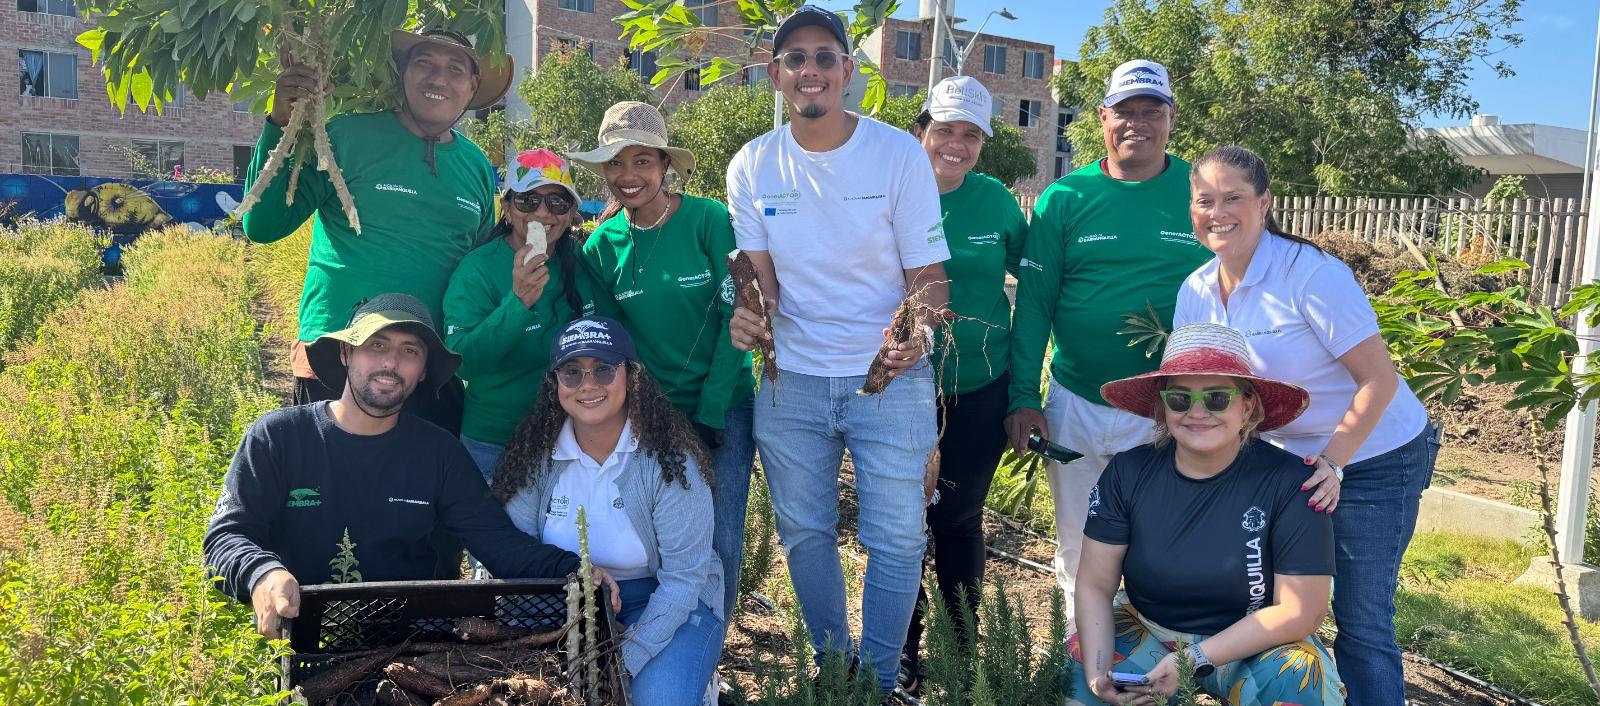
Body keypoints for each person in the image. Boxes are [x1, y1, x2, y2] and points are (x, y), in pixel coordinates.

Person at [725, 6, 951, 693]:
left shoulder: (896, 154)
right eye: (795, 59)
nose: (811, 70)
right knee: (805, 534)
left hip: (890, 377)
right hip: (790, 381)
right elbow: (759, 284)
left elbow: (930, 279)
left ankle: (880, 679)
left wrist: (918, 335)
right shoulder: (753, 164)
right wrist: (747, 316)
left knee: (899, 539)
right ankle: (832, 667)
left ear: (848, 71)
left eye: (825, 56)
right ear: (776, 75)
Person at [1173, 145, 1437, 706]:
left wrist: (1335, 461)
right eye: (1205, 200)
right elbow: (1199, 386)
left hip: (1371, 456)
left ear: (1264, 202)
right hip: (1281, 457)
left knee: (1361, 621)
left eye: (1234, 198)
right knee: (1270, 604)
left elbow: (1379, 381)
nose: (1218, 211)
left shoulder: (1311, 276)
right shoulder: (1195, 288)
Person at [202, 294, 619, 639]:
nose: (391, 364)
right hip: (306, 636)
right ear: (347, 353)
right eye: (376, 346)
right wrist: (262, 573)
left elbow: (500, 546)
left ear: (422, 373)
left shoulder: (438, 454)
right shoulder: (278, 437)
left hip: (414, 640)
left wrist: (576, 570)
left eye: (409, 352)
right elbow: (226, 535)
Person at [1005, 59, 1212, 618]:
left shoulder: (1202, 192)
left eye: (1152, 111)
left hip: (1169, 406)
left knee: (1162, 544)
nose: (1137, 123)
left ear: (1171, 118)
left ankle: (1154, 666)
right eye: (1125, 112)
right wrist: (1024, 396)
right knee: (1079, 542)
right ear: (1103, 118)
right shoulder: (1065, 198)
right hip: (1076, 401)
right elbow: (1034, 307)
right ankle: (1085, 661)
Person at [241, 28, 513, 436]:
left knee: (416, 495)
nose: (439, 78)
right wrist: (281, 120)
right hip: (336, 357)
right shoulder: (345, 135)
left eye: (455, 69)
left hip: (427, 368)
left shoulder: (474, 164)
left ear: (472, 86)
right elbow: (262, 226)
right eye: (424, 63)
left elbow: (477, 273)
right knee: (327, 491)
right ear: (402, 72)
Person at [1069, 323, 1344, 706]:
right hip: (1150, 628)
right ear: (1163, 406)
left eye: (1217, 398)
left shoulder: (1291, 483)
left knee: (1299, 674)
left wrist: (1194, 658)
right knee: (1083, 663)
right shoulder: (1128, 473)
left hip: (1253, 641)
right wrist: (1099, 676)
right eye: (1180, 399)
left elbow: (1301, 612)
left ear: (1248, 405)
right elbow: (1095, 585)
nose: (1197, 412)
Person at [569, 102, 755, 621]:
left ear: (664, 165)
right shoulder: (602, 246)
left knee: (720, 536)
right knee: (653, 531)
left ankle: (709, 649)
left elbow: (733, 318)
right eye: (615, 164)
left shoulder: (708, 221)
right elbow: (612, 343)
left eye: (641, 162)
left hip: (723, 410)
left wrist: (711, 411)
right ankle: (664, 632)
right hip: (649, 414)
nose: (628, 176)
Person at [494, 316, 724, 706]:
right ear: (555, 384)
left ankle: (695, 681)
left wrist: (619, 664)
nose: (588, 384)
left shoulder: (669, 462)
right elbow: (515, 549)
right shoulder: (536, 458)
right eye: (572, 372)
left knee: (655, 700)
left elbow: (684, 579)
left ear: (631, 375)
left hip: (662, 599)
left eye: (604, 369)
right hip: (564, 601)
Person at [896, 75, 1028, 693]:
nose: (956, 143)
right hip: (900, 385)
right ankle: (899, 649)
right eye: (945, 129)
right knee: (899, 520)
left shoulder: (995, 200)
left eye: (970, 134)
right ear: (922, 129)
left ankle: (961, 653)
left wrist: (1027, 387)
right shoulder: (889, 189)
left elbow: (1032, 287)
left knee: (958, 516)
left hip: (978, 383)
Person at [444, 149, 606, 480]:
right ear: (506, 206)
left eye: (557, 203)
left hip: (568, 439)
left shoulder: (579, 261)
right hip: (493, 444)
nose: (543, 213)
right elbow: (464, 362)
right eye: (528, 201)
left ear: (572, 212)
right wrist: (517, 304)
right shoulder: (478, 269)